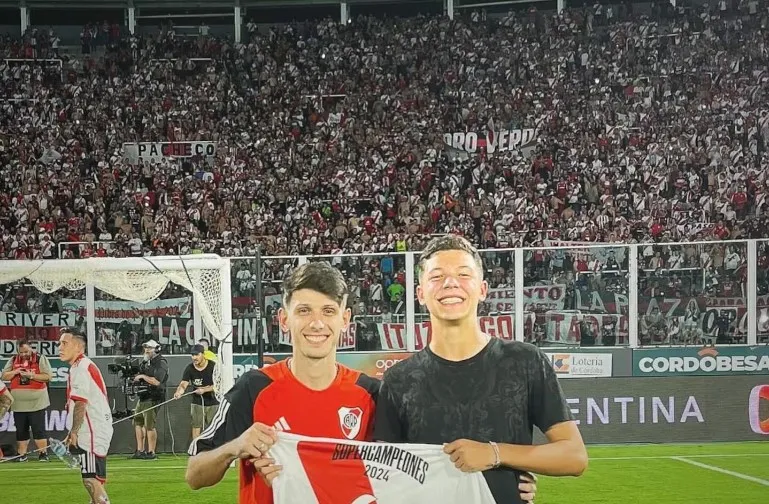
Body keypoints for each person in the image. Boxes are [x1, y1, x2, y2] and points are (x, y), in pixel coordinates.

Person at [185, 262, 538, 504]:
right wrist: (236, 448)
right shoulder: (253, 388)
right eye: (304, 311)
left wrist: (500, 483)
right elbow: (194, 475)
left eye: (328, 312)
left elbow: (422, 467)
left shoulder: (371, 393)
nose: (316, 324)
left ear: (345, 320)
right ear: (284, 319)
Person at [373, 235, 588, 504]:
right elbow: (385, 478)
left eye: (463, 274)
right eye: (437, 277)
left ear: (483, 289)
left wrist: (496, 454)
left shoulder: (525, 361)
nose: (450, 283)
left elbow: (574, 456)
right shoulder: (398, 380)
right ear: (420, 294)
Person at [59, 327, 114, 504]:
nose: (59, 347)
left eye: (64, 343)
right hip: (94, 429)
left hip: (91, 431)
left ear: (78, 347)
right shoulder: (82, 365)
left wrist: (74, 431)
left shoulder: (81, 367)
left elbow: (81, 403)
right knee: (93, 479)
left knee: (91, 479)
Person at [0, 339, 52, 462]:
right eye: (21, 352)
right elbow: (4, 376)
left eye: (26, 351)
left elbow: (48, 376)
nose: (24, 354)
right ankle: (21, 455)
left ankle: (43, 454)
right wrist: (16, 372)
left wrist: (31, 376)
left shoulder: (40, 358)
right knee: (21, 430)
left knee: (38, 429)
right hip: (18, 403)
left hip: (37, 402)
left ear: (31, 348)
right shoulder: (13, 360)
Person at [131, 339, 168, 460]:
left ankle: (151, 452)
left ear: (156, 349)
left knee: (149, 425)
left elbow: (157, 381)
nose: (147, 350)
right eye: (146, 348)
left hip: (154, 397)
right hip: (143, 396)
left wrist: (142, 376)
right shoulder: (145, 362)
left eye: (150, 348)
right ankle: (140, 450)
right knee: (138, 422)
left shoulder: (161, 363)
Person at [174, 344, 219, 440]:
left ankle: (215, 450)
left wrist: (205, 390)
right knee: (196, 426)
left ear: (203, 354)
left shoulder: (213, 366)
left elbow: (219, 385)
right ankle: (196, 449)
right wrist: (179, 392)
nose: (194, 357)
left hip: (213, 402)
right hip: (197, 402)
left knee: (215, 427)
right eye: (192, 355)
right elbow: (183, 384)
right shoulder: (189, 368)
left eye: (197, 355)